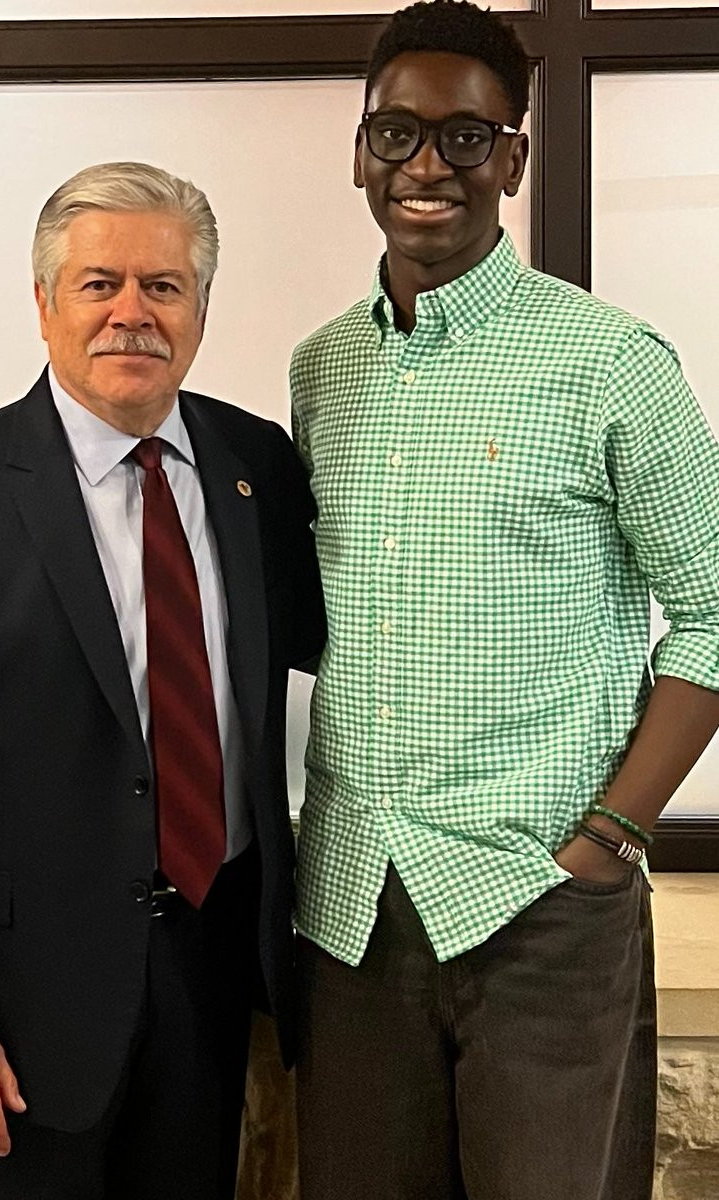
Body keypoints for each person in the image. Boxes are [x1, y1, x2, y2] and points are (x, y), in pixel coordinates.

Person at [291, 4, 719, 1199]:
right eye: (396, 133)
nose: (426, 166)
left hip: (543, 906)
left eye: (466, 137)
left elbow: (715, 614)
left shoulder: (610, 361)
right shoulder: (323, 368)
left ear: (515, 159)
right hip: (355, 907)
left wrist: (611, 838)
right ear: (360, 152)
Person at [0, 160, 324, 1200]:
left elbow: (321, 648)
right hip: (18, 1013)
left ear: (201, 309)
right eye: (100, 283)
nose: (131, 313)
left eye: (164, 286)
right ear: (45, 301)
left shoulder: (257, 468)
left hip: (210, 970)